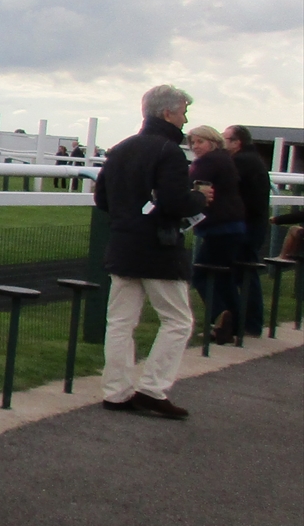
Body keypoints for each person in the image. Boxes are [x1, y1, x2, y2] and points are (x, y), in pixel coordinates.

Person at [93, 85, 209, 419]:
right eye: (183, 112)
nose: (185, 120)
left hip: (123, 244)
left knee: (120, 322)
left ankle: (116, 392)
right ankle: (152, 389)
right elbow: (174, 202)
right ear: (167, 113)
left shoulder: (120, 149)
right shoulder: (169, 151)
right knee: (178, 321)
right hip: (159, 247)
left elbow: (102, 199)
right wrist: (199, 199)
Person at [187, 125, 245, 343]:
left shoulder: (208, 162)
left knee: (201, 275)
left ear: (212, 142)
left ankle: (220, 317)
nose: (195, 146)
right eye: (193, 142)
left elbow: (189, 186)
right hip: (233, 226)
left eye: (200, 142)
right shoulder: (225, 160)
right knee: (224, 277)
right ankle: (234, 327)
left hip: (219, 227)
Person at [224, 125, 273, 336]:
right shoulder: (253, 160)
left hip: (246, 227)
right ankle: (248, 322)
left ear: (237, 142)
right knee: (245, 274)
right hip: (253, 226)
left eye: (226, 139)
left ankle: (248, 323)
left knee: (244, 275)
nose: (222, 143)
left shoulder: (241, 162)